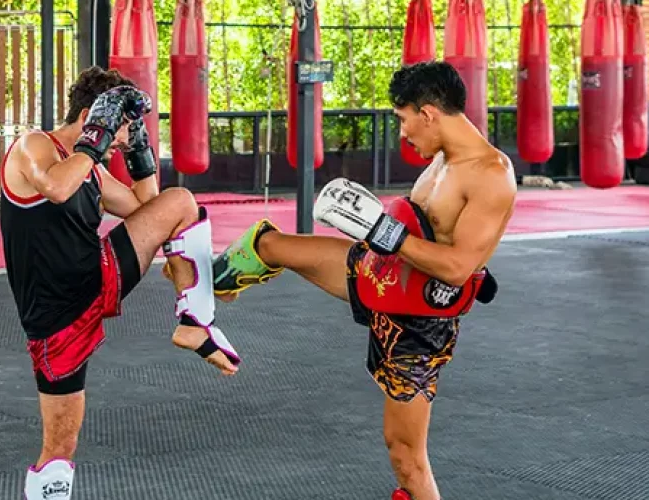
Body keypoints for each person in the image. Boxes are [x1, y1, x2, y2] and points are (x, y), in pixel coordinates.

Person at [211, 61, 516, 500]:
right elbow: (412, 230)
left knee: (406, 455)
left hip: (419, 323)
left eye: (404, 119)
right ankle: (197, 303)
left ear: (428, 112)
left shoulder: (490, 174)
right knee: (270, 244)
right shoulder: (441, 161)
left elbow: (456, 268)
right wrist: (380, 233)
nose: (404, 133)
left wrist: (383, 232)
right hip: (381, 274)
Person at [0, 66, 240, 500]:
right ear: (97, 115)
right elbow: (55, 187)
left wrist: (141, 154)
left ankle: (193, 321)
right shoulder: (33, 146)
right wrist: (98, 135)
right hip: (55, 317)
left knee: (181, 203)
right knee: (59, 450)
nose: (129, 134)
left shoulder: (92, 170)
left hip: (98, 277)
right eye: (127, 125)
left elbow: (151, 209)